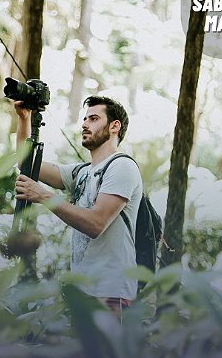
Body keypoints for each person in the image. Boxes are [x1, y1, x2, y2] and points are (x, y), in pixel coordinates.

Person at [13, 95, 142, 317]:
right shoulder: (82, 173)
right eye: (84, 119)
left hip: (110, 292)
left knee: (104, 353)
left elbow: (96, 224)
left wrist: (44, 196)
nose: (84, 124)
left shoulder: (121, 167)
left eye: (93, 119)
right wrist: (24, 119)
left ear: (114, 126)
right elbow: (27, 164)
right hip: (83, 291)